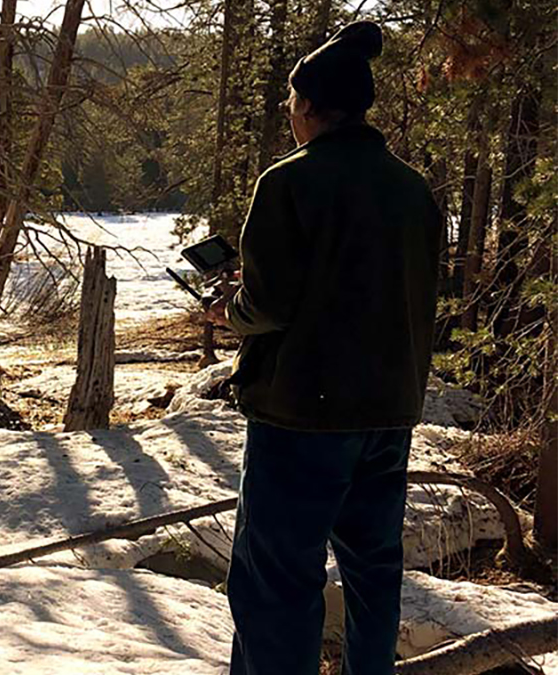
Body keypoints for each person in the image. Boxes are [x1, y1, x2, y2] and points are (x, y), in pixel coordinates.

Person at [204, 21, 442, 675]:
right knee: (374, 577)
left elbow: (270, 302)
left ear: (309, 106)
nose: (288, 113)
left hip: (302, 416)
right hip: (390, 412)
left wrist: (231, 309)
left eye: (290, 101)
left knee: (276, 586)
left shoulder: (288, 182)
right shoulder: (415, 191)